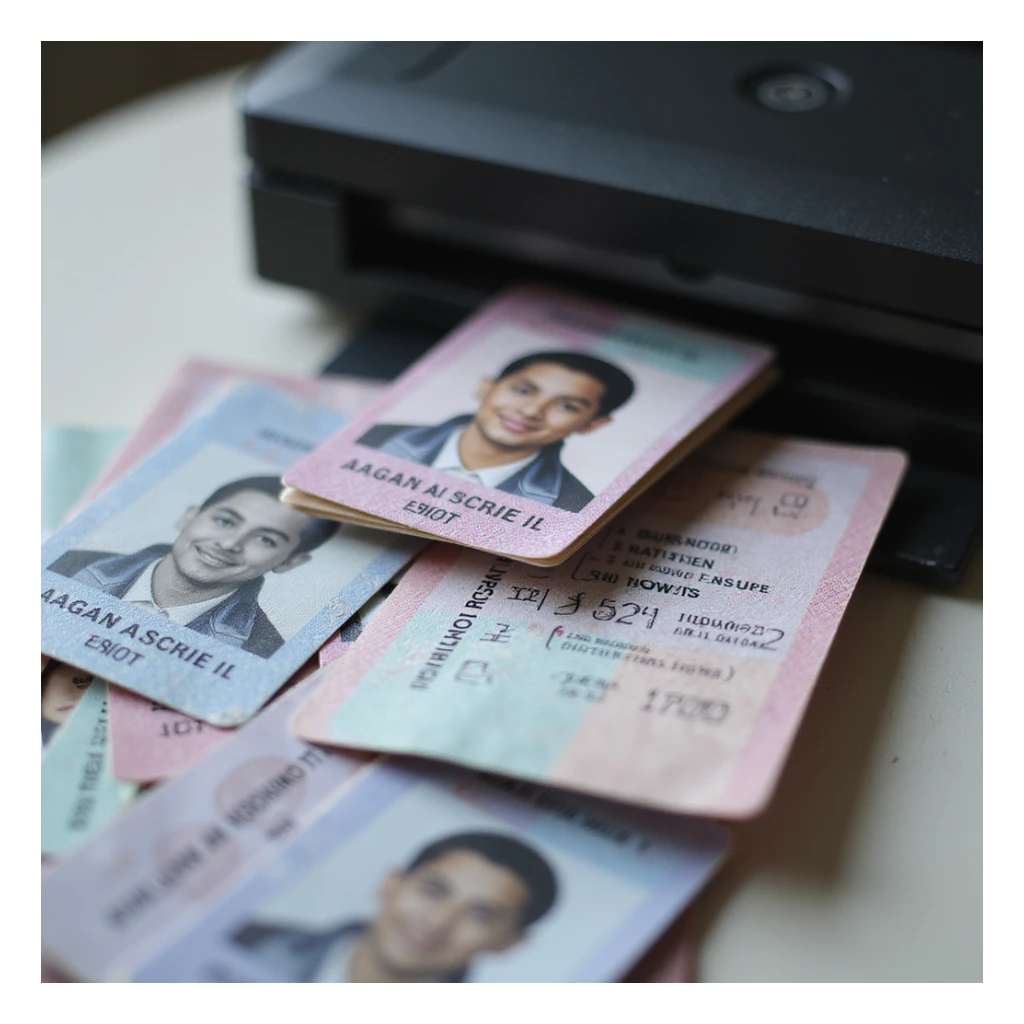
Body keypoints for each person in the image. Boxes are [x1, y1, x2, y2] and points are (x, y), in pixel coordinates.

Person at [47, 476, 338, 659]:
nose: (229, 543)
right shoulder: (63, 566)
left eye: (264, 539)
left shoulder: (262, 651)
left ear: (289, 562)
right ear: (189, 517)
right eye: (225, 521)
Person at [231, 830, 559, 983]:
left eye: (480, 915)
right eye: (433, 891)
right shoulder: (245, 939)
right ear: (392, 884)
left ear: (510, 944)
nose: (438, 923)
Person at [357, 351, 635, 513]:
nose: (530, 411)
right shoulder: (375, 437)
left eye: (566, 406)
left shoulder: (573, 505)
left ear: (592, 424)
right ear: (487, 387)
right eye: (523, 390)